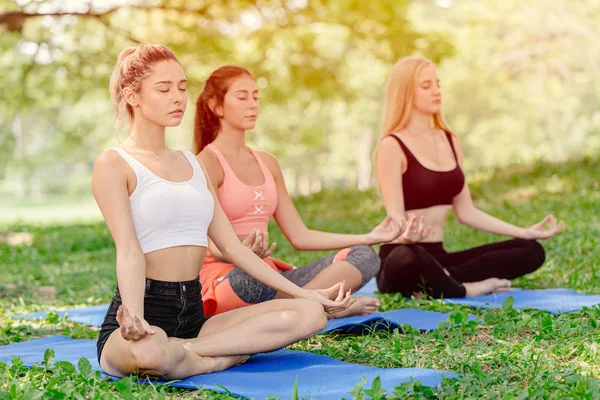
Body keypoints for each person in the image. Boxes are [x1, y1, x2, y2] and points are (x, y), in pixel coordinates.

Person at [93, 44, 356, 380]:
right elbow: (129, 249)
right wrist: (133, 316)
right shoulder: (114, 164)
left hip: (194, 315)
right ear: (133, 96)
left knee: (310, 314)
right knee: (150, 350)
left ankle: (191, 355)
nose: (178, 97)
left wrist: (303, 292)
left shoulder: (193, 163)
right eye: (164, 88)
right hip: (146, 310)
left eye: (182, 87)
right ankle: (218, 355)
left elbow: (232, 247)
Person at [194, 65, 412, 318]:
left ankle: (303, 307)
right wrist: (244, 253)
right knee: (256, 277)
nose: (253, 104)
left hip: (270, 276)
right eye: (242, 97)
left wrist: (368, 237)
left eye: (256, 97)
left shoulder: (267, 162)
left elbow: (300, 236)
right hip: (229, 280)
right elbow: (205, 243)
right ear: (216, 106)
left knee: (364, 256)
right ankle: (317, 306)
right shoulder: (206, 162)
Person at [374, 56, 563, 299]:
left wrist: (523, 231)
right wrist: (407, 238)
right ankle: (467, 288)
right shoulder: (392, 146)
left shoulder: (450, 140)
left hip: (439, 257)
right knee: (408, 257)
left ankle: (442, 278)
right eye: (426, 86)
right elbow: (395, 218)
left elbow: (466, 212)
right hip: (402, 257)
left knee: (531, 250)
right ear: (405, 92)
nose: (436, 91)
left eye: (438, 84)